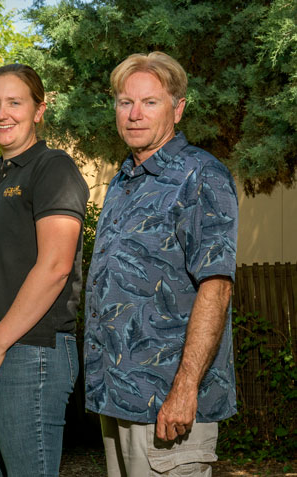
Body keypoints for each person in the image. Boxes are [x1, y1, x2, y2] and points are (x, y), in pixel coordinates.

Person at [85, 51, 238, 476]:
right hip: (117, 399)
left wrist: (185, 389)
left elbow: (216, 287)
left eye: (150, 102)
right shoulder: (122, 182)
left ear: (178, 107)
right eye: (124, 102)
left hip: (167, 405)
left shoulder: (201, 176)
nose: (134, 114)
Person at [0, 64, 89, 476]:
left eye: (15, 102)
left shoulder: (53, 168)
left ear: (39, 110)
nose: (2, 113)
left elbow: (55, 266)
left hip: (31, 352)